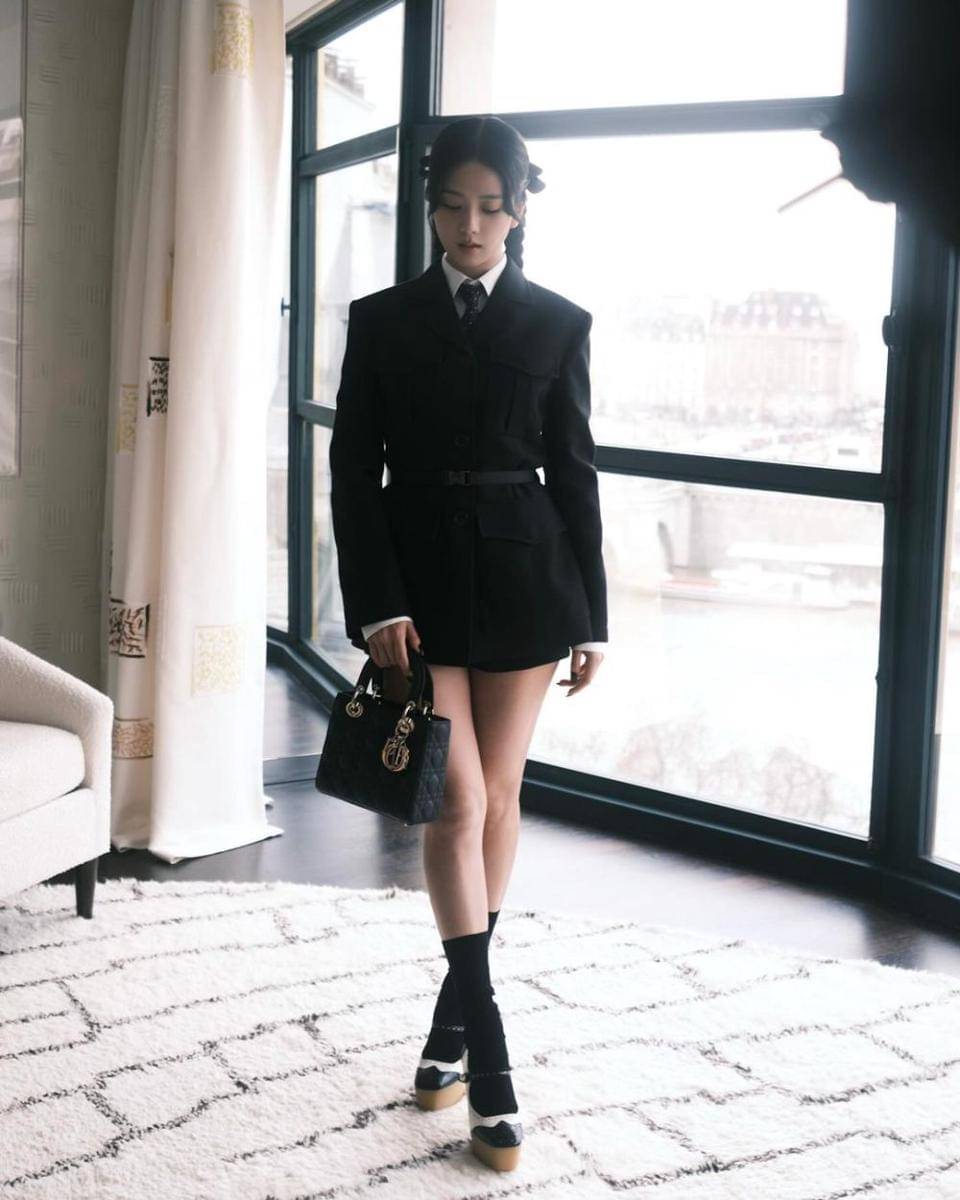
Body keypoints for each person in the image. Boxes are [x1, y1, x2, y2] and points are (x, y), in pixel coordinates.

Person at [328, 114, 608, 1172]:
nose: (472, 225)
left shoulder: (560, 323)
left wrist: (592, 617)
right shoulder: (382, 319)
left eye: (491, 206)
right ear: (432, 208)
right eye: (454, 205)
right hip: (418, 591)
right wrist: (375, 604)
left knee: (498, 792)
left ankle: (448, 1027)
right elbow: (352, 473)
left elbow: (574, 473)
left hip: (531, 583)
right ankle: (489, 1055)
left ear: (519, 209)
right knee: (453, 800)